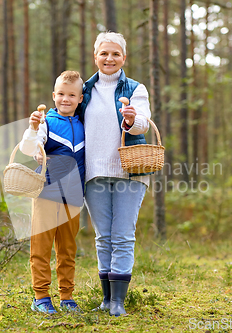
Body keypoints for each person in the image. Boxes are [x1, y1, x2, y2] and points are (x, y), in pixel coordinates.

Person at [76, 32, 152, 316]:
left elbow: (143, 122)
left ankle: (119, 301)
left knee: (122, 236)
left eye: (116, 54)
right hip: (93, 174)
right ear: (95, 56)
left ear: (124, 57)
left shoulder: (134, 88)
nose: (109, 58)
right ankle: (106, 299)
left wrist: (132, 120)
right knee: (102, 237)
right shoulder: (84, 90)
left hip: (129, 172)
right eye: (104, 53)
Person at [19, 71, 85, 314]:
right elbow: (29, 147)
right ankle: (41, 296)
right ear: (53, 95)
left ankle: (67, 297)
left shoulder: (83, 124)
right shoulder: (46, 123)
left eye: (71, 95)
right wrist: (33, 129)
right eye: (60, 94)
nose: (65, 99)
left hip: (74, 196)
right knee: (42, 247)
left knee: (67, 249)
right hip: (46, 192)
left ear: (80, 98)